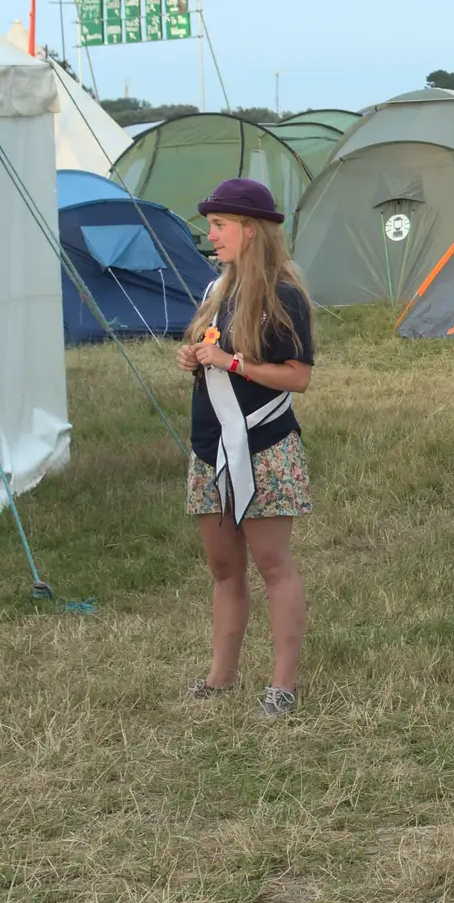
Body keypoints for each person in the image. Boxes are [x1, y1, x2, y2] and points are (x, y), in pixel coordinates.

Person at [175, 178, 315, 717]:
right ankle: (221, 676)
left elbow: (297, 377)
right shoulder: (217, 291)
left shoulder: (284, 297)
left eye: (219, 226)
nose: (211, 236)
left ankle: (283, 685)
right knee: (223, 568)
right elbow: (208, 353)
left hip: (264, 447)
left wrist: (232, 364)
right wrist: (191, 359)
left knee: (272, 563)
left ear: (250, 231)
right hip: (210, 449)